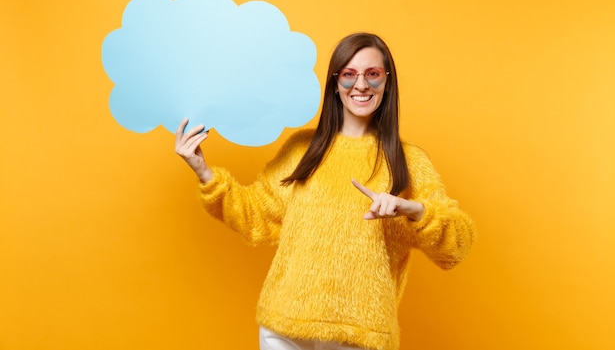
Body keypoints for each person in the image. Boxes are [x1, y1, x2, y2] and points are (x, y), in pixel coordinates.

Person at [175, 32, 477, 350]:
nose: (361, 85)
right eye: (349, 74)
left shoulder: (409, 161)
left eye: (372, 74)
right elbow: (255, 215)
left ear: (387, 82)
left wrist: (415, 210)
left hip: (359, 332)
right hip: (284, 324)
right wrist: (202, 170)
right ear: (335, 83)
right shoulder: (301, 149)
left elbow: (457, 246)